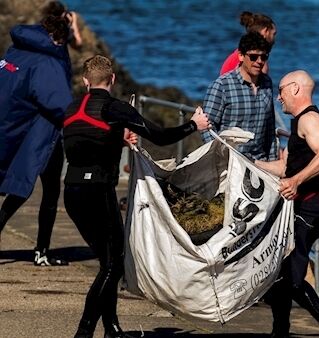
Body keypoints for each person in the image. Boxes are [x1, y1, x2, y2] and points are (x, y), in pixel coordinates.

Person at [63, 55, 211, 338]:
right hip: (97, 192)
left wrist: (116, 138)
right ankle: (83, 333)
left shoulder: (71, 107)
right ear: (113, 80)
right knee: (114, 264)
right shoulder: (115, 108)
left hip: (71, 193)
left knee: (107, 261)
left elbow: (82, 140)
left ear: (84, 82)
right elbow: (161, 136)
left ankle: (112, 329)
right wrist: (194, 125)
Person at [255, 70, 319, 338]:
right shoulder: (298, 124)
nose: (278, 96)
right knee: (281, 271)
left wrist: (296, 181)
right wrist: (249, 163)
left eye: (281, 90)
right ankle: (280, 330)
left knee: (291, 275)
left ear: (294, 88)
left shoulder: (311, 119)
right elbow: (284, 167)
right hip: (302, 205)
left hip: (313, 206)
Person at [0, 15, 72, 266]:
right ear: (56, 39)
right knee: (48, 191)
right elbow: (60, 104)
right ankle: (42, 250)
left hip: (16, 129)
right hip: (43, 133)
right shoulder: (47, 62)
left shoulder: (16, 51)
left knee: (20, 184)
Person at [202, 31, 278, 161]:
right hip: (229, 163)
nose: (259, 62)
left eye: (264, 57)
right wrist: (221, 159)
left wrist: (273, 162)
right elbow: (207, 128)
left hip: (260, 164)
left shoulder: (267, 83)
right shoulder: (222, 85)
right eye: (253, 57)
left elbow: (270, 129)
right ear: (241, 56)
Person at [220, 11, 276, 75]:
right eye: (274, 34)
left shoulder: (238, 54)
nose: (274, 40)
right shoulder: (259, 63)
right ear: (265, 31)